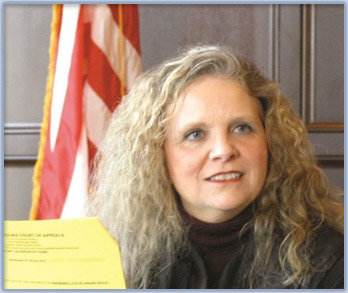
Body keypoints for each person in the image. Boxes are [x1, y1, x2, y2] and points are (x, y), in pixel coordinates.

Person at [88, 45, 344, 289]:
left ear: (270, 142)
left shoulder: (332, 263)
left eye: (241, 128)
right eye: (195, 134)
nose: (223, 150)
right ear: (158, 155)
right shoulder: (114, 258)